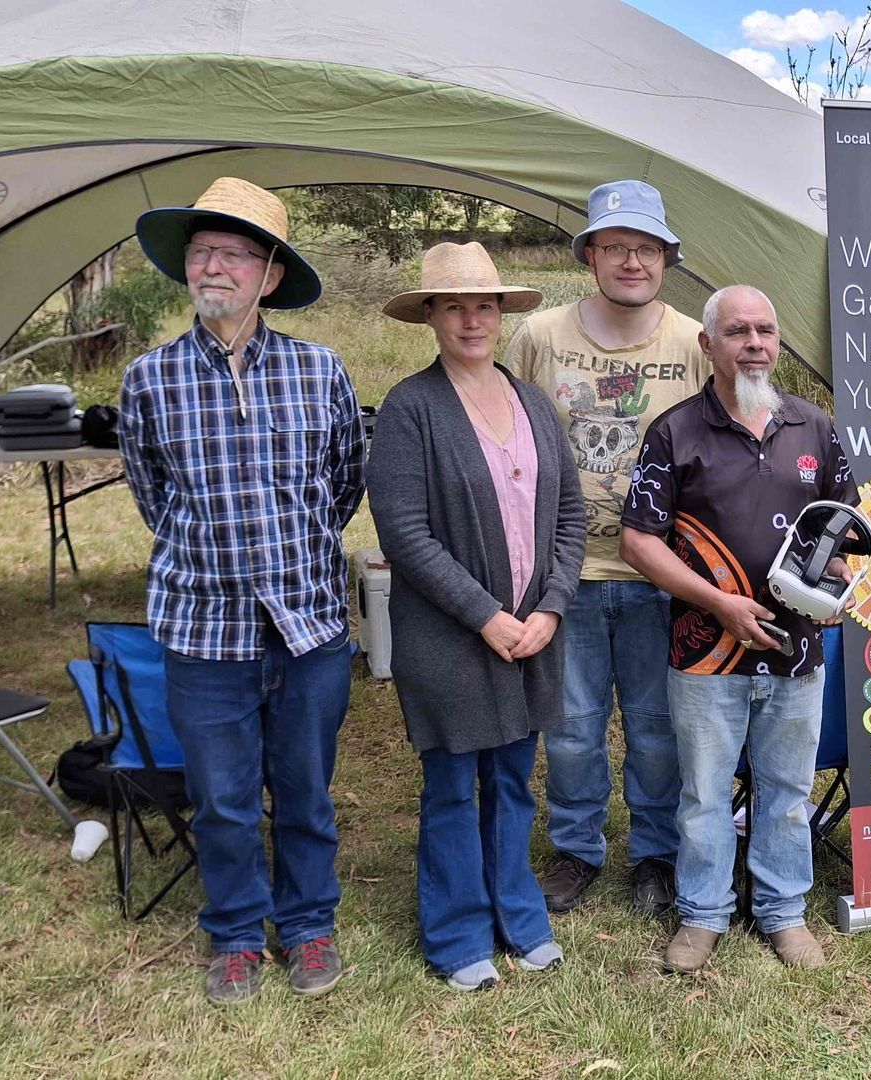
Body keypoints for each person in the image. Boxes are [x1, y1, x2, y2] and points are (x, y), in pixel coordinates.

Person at [120, 177, 364, 1005]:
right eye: (200, 251)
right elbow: (154, 498)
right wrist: (218, 550)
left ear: (268, 274)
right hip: (202, 629)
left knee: (304, 790)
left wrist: (286, 553)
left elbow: (342, 487)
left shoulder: (319, 370)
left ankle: (306, 927)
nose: (211, 266)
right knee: (221, 801)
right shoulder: (147, 380)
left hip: (309, 629)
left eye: (231, 252)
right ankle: (233, 934)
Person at [365, 242, 587, 991]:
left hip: (533, 633)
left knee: (515, 783)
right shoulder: (410, 409)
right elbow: (404, 533)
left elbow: (570, 519)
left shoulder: (533, 403)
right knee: (456, 785)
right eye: (454, 305)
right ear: (430, 316)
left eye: (484, 305)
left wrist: (550, 608)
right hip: (452, 639)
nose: (472, 319)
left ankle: (519, 917)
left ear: (501, 314)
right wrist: (486, 616)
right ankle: (459, 934)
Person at [618, 285, 855, 974]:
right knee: (702, 793)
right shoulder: (674, 431)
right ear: (708, 344)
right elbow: (640, 541)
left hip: (796, 651)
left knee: (785, 791)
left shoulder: (816, 428)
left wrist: (833, 587)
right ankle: (703, 914)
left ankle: (783, 915)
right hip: (705, 650)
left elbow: (848, 533)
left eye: (766, 329)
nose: (754, 342)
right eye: (738, 331)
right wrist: (718, 603)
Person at [508, 179, 709, 916]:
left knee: (659, 730)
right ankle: (576, 848)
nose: (632, 261)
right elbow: (513, 437)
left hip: (667, 575)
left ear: (667, 258)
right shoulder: (540, 338)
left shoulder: (693, 342)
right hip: (568, 576)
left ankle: (655, 855)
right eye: (617, 246)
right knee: (571, 727)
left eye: (646, 248)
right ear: (590, 255)